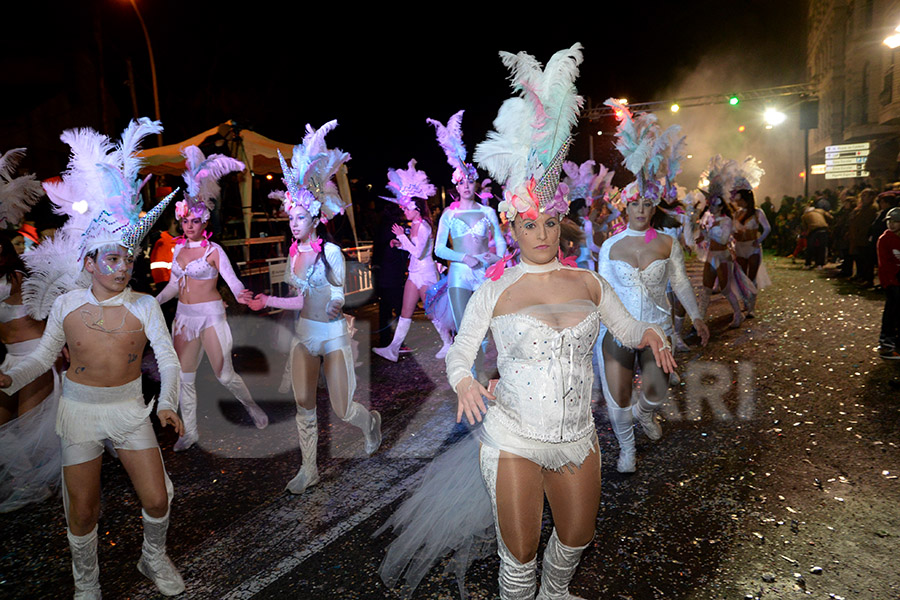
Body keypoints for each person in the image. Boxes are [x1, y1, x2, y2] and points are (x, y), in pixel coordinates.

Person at [380, 44, 675, 600]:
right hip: (513, 436)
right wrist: (466, 380)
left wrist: (652, 333)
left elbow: (628, 330)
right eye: (529, 224)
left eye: (550, 223)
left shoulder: (589, 281)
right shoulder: (495, 289)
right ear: (512, 226)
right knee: (519, 555)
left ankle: (555, 592)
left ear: (560, 224)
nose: (541, 234)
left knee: (577, 537)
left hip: (577, 437)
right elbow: (462, 354)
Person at [1, 119, 185, 598]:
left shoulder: (145, 306)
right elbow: (43, 357)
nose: (122, 267)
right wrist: (10, 376)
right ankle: (88, 584)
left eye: (128, 258)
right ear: (88, 262)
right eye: (111, 258)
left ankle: (153, 557)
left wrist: (167, 402)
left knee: (157, 497)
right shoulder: (67, 305)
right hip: (80, 411)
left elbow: (166, 360)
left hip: (130, 410)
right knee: (82, 511)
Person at [247, 121, 381, 494]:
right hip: (305, 336)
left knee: (341, 408)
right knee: (303, 406)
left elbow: (340, 292)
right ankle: (309, 468)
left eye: (299, 217)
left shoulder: (333, 252)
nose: (293, 224)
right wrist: (266, 300)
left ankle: (370, 422)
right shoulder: (293, 255)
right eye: (290, 218)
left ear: (315, 218)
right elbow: (300, 300)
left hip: (333, 335)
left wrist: (338, 303)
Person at [597, 100, 709, 473]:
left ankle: (645, 415)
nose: (641, 210)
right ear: (625, 209)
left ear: (653, 207)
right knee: (617, 397)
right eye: (635, 205)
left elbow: (678, 281)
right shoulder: (611, 247)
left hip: (658, 330)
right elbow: (602, 294)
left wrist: (696, 316)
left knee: (657, 392)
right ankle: (626, 449)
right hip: (617, 329)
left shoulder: (667, 242)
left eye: (647, 204)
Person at [155, 146, 267, 452]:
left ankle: (252, 407)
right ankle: (189, 432)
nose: (189, 226)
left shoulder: (213, 251)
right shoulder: (177, 251)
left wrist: (243, 295)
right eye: (185, 221)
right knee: (184, 378)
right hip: (184, 318)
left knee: (224, 374)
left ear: (205, 223)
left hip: (211, 316)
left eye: (195, 221)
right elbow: (175, 287)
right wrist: (154, 302)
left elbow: (232, 281)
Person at [0, 149, 60, 512]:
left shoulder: (15, 279)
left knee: (29, 431)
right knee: (6, 434)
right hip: (9, 361)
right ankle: (28, 483)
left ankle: (37, 486)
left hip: (35, 359)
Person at [428, 110, 507, 331]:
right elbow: (439, 249)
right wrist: (463, 257)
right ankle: (467, 367)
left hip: (484, 270)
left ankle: (480, 365)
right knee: (464, 328)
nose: (466, 186)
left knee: (485, 325)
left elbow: (500, 239)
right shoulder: (449, 214)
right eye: (462, 183)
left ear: (475, 184)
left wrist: (497, 257)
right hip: (459, 274)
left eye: (470, 182)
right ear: (456, 186)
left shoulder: (488, 212)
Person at [373, 160, 452, 361]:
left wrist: (401, 237)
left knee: (432, 313)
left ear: (416, 207)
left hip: (425, 274)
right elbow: (413, 249)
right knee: (405, 312)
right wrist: (400, 244)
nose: (404, 211)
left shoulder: (423, 226)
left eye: (407, 207)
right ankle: (393, 349)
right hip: (414, 274)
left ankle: (448, 342)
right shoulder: (415, 224)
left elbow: (418, 252)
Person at [877, 207, 900, 359]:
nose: (891, 224)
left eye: (895, 221)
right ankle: (887, 341)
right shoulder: (884, 239)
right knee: (892, 310)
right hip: (893, 281)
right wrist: (890, 281)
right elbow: (884, 264)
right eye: (889, 221)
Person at [801, 202, 833, 270]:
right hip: (824, 228)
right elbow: (830, 217)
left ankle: (808, 263)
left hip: (813, 230)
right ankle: (820, 264)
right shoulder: (820, 211)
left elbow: (805, 227)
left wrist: (806, 234)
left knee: (810, 247)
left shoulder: (804, 216)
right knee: (822, 247)